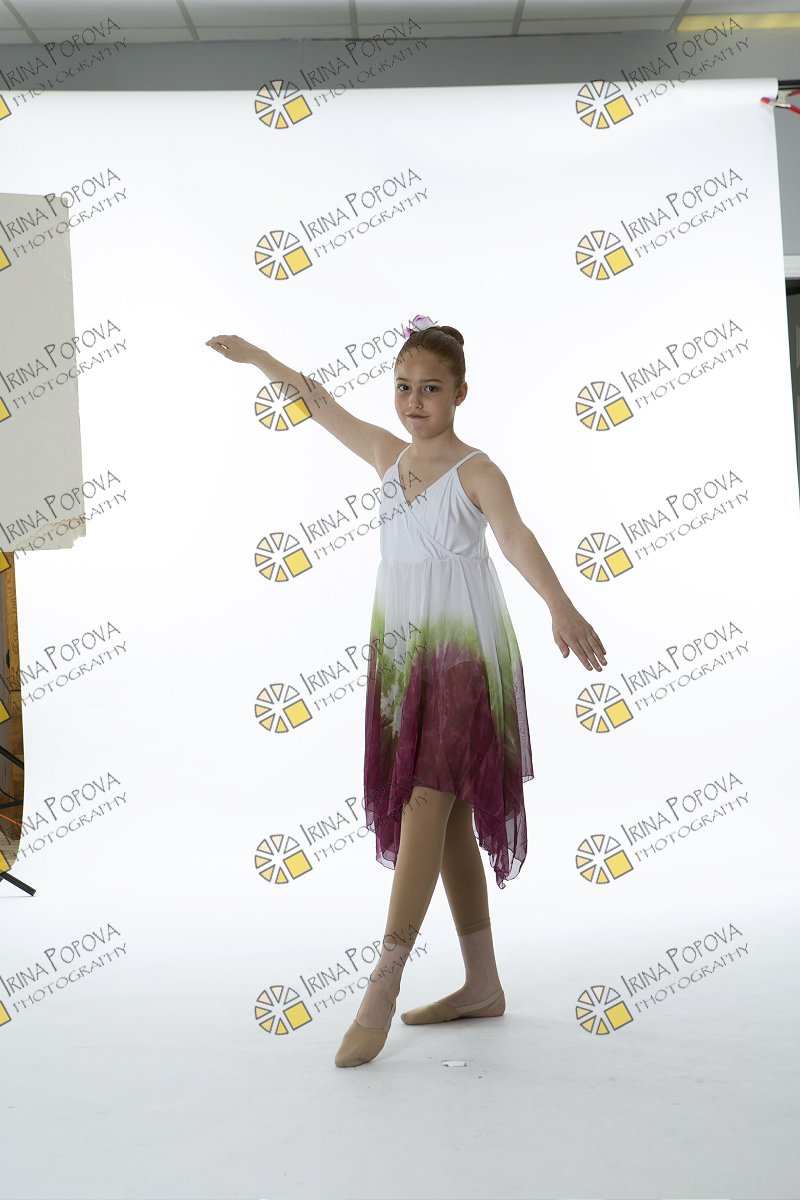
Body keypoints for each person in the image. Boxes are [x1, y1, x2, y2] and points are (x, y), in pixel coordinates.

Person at [205, 316, 607, 1069]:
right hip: (405, 659)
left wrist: (560, 604)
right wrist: (257, 356)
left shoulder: (477, 471)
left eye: (431, 389)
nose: (415, 402)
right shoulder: (387, 457)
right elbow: (318, 403)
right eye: (403, 388)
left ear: (460, 393)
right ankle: (482, 985)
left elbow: (514, 536)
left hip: (463, 656)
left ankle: (382, 986)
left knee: (427, 800)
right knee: (446, 820)